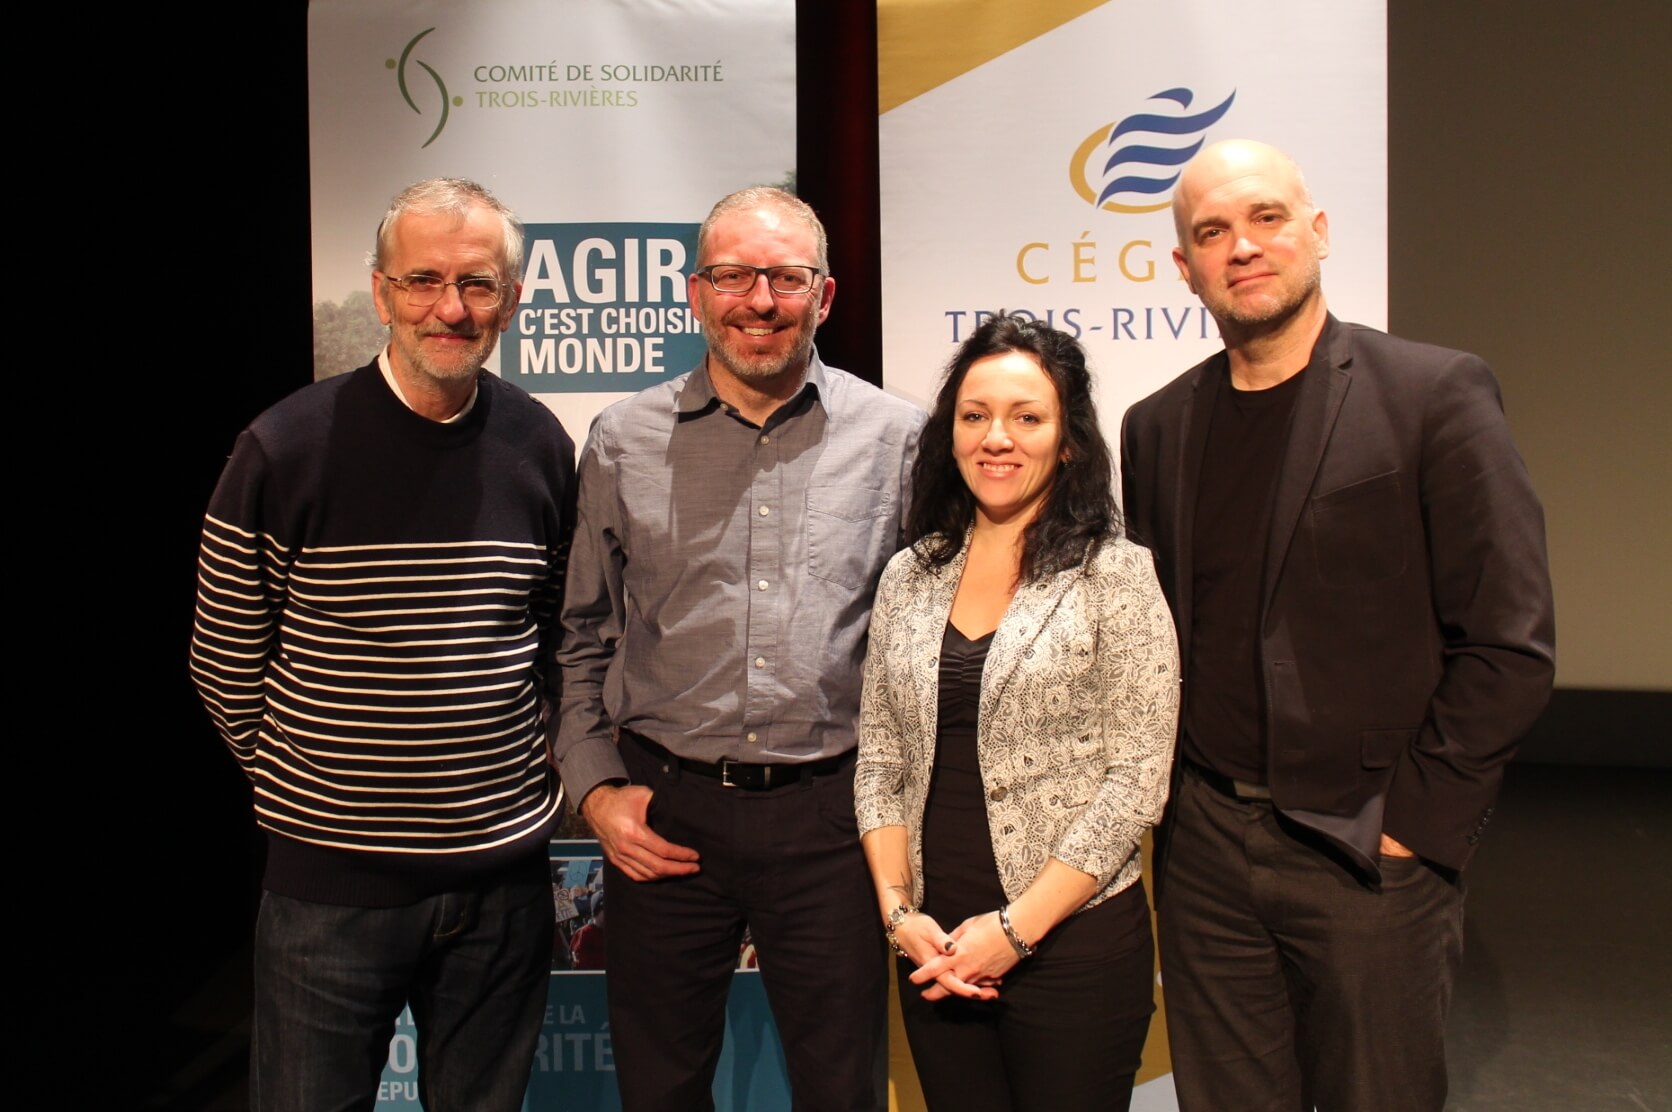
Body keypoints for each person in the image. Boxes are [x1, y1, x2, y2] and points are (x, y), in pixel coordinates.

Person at [1120, 139, 1556, 1112]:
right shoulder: (1154, 427)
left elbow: (1509, 639)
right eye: (1211, 231)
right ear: (1183, 267)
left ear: (1315, 232)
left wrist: (1415, 827)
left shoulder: (1432, 394)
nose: (1242, 245)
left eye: (1266, 217)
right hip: (1203, 851)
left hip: (1364, 848)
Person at [189, 178, 576, 1112]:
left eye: (479, 284)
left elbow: (563, 640)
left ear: (512, 300)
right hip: (330, 891)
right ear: (380, 292)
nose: (452, 308)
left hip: (503, 887)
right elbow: (224, 658)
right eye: (423, 281)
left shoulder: (540, 444)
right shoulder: (285, 447)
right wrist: (313, 787)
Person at [553, 185, 924, 1110]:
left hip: (834, 820)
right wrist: (596, 790)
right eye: (733, 275)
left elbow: (925, 638)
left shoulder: (898, 440)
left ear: (825, 296)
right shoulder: (621, 439)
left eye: (785, 278)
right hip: (665, 815)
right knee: (661, 1087)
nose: (759, 300)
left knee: (841, 1087)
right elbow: (579, 634)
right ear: (695, 292)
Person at [855, 314, 1179, 1111]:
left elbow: (1137, 780)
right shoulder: (909, 575)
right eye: (975, 416)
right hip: (935, 950)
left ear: (1066, 441)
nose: (996, 438)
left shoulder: (1117, 574)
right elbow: (880, 761)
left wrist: (1015, 932)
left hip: (1071, 951)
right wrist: (901, 916)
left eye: (1026, 417)